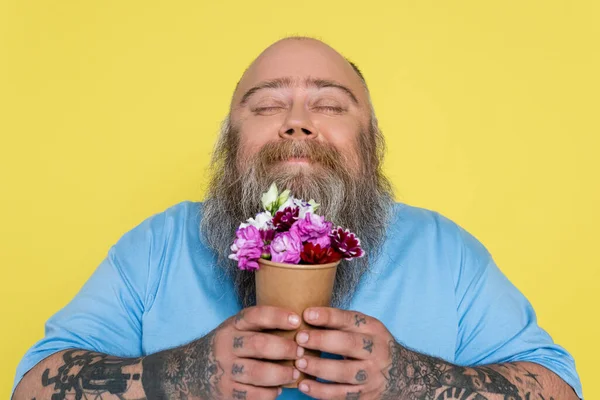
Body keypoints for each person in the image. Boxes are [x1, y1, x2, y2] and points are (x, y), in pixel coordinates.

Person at [12, 37, 582, 400]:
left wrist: (414, 379)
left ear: (372, 143)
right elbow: (31, 387)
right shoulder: (160, 245)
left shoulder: (443, 251)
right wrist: (182, 375)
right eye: (265, 105)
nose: (297, 122)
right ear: (229, 144)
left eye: (331, 105)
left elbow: (561, 390)